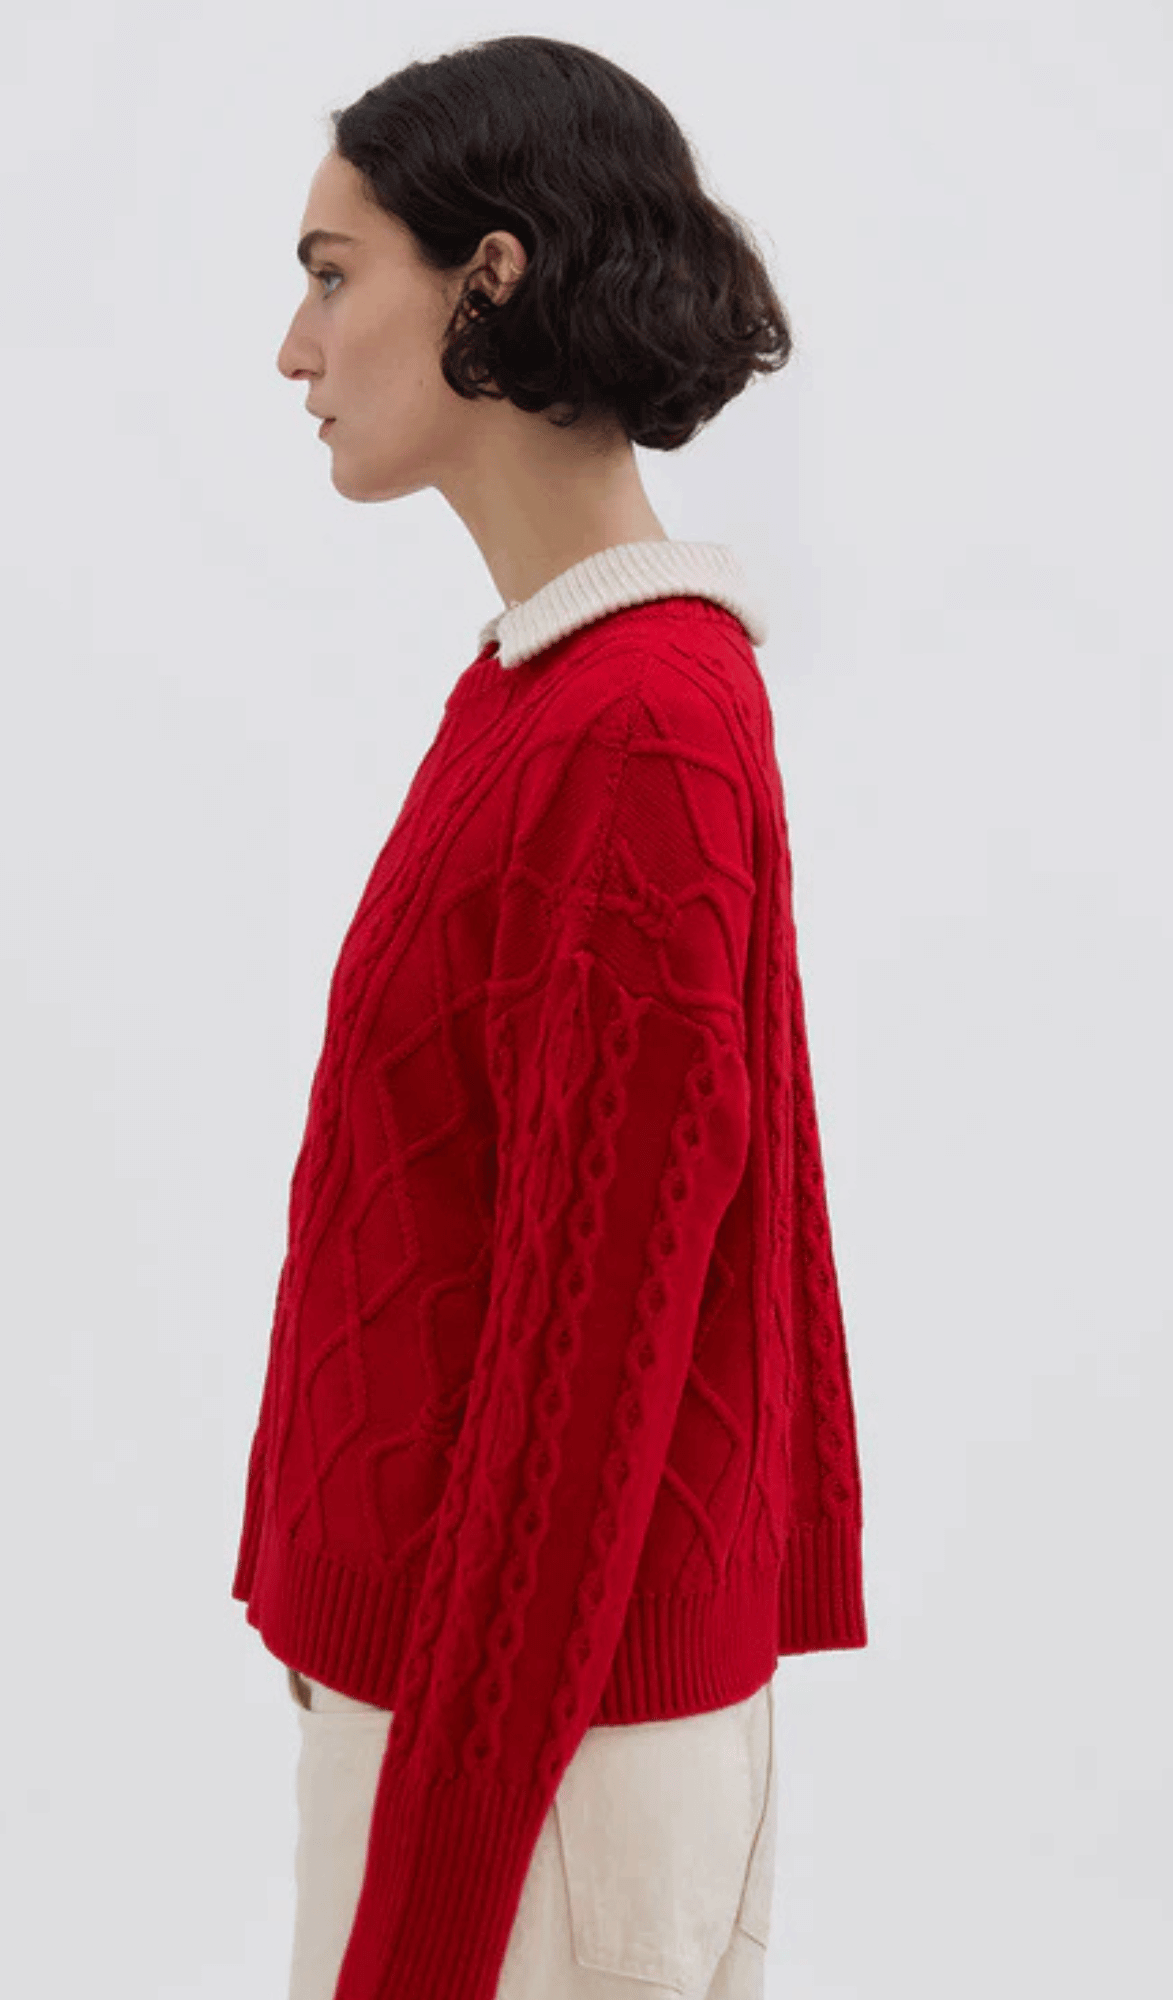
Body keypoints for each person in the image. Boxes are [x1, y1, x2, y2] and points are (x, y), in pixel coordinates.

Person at [236, 33, 869, 2000]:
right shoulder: (545, 693)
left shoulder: (640, 727)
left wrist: (431, 1891)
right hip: (485, 1720)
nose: (293, 346)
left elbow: (591, 1367)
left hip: (537, 1761)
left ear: (489, 279)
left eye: (334, 274)